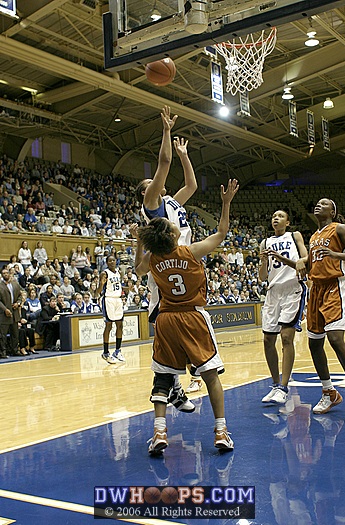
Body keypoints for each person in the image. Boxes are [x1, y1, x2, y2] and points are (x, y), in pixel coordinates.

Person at [133, 179, 238, 454]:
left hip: (166, 319)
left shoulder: (153, 259)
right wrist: (226, 203)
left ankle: (158, 432)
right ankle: (221, 431)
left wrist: (138, 243)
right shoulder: (191, 251)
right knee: (211, 375)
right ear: (171, 235)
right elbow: (222, 232)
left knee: (162, 376)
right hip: (192, 316)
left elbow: (138, 270)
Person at [135, 106, 201, 405]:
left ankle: (171, 384)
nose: (157, 186)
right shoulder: (152, 204)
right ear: (146, 194)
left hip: (184, 262)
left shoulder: (172, 202)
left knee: (179, 330)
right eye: (152, 185)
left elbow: (192, 185)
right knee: (170, 330)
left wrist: (185, 156)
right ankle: (169, 383)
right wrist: (165, 130)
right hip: (166, 267)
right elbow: (163, 161)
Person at [297, 198, 345, 416]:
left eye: (325, 203)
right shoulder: (314, 236)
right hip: (316, 288)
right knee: (314, 344)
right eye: (317, 203)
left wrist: (337, 255)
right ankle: (329, 392)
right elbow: (312, 262)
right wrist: (301, 262)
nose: (319, 205)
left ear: (333, 210)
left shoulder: (340, 228)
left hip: (335, 285)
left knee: (336, 339)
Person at [259, 210, 308, 405]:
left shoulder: (294, 236)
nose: (275, 218)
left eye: (280, 216)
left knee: (286, 337)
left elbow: (305, 260)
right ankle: (275, 384)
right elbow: (262, 277)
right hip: (273, 292)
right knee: (267, 340)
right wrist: (263, 262)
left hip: (292, 288)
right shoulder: (265, 243)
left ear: (287, 222)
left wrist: (281, 257)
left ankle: (284, 387)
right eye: (273, 216)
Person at [97, 254, 125, 364]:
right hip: (108, 299)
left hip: (118, 299)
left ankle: (117, 351)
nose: (112, 262)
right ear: (107, 262)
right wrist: (101, 284)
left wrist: (128, 288)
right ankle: (105, 352)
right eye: (109, 261)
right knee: (109, 325)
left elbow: (119, 288)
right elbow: (98, 291)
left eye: (113, 260)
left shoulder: (119, 273)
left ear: (116, 261)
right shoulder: (104, 273)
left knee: (120, 324)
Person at [0, 266, 22, 358]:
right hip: (4, 313)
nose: (5, 274)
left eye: (7, 273)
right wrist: (5, 309)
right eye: (4, 273)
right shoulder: (0, 286)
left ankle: (15, 350)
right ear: (1, 275)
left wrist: (18, 303)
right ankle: (2, 352)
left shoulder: (15, 284)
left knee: (15, 333)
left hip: (15, 312)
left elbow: (21, 296)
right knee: (3, 335)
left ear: (9, 274)